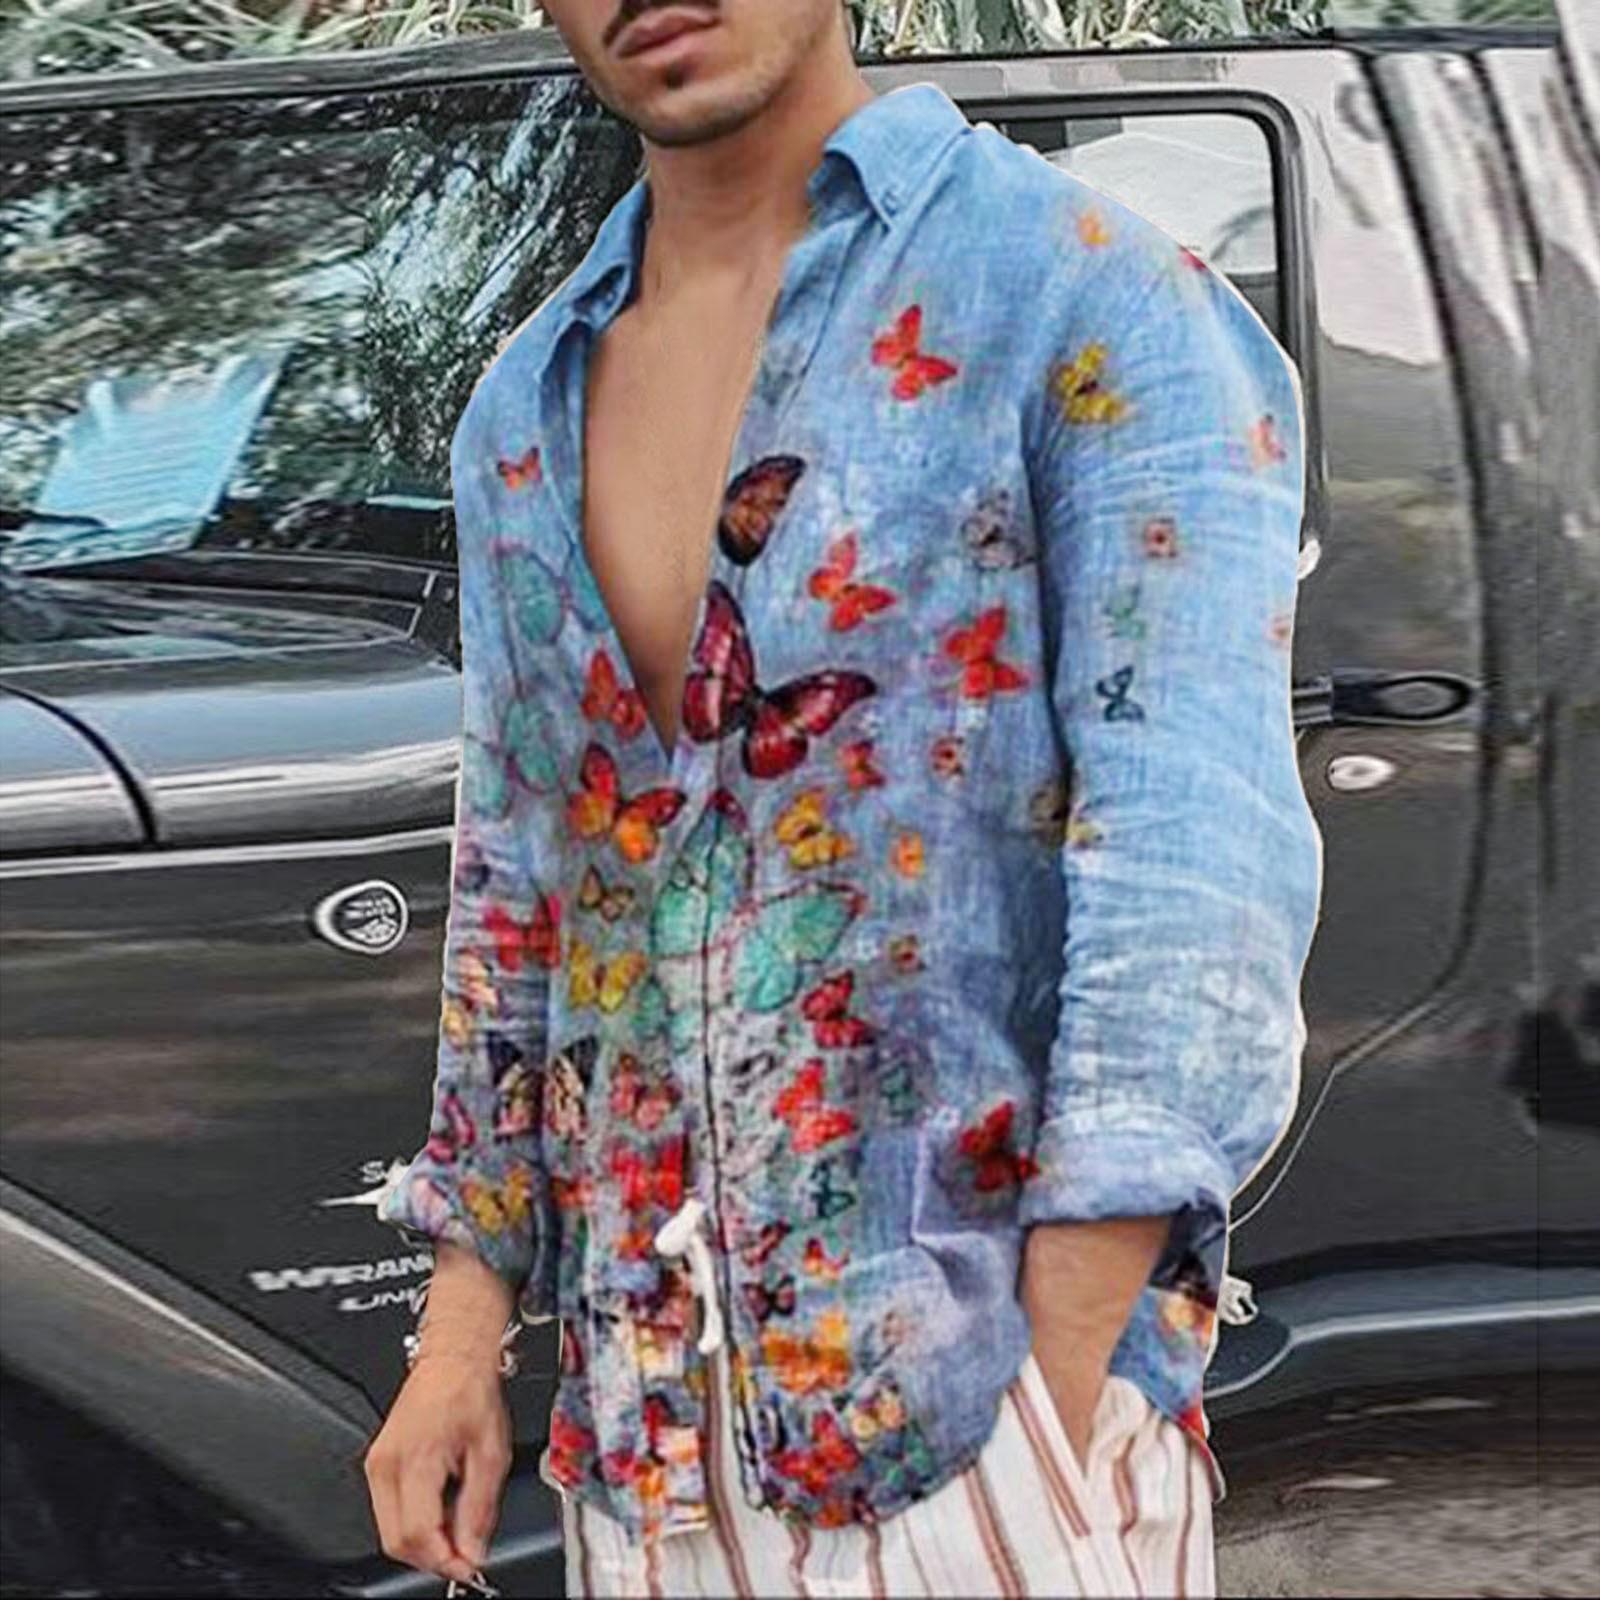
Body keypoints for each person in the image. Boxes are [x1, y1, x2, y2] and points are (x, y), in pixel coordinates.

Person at [363, 1, 1323, 1595]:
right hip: (641, 1442)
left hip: (976, 1427)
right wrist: (460, 1337)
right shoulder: (525, 407)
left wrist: (1061, 1384)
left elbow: (1191, 862)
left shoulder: (1085, 292)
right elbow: (524, 885)